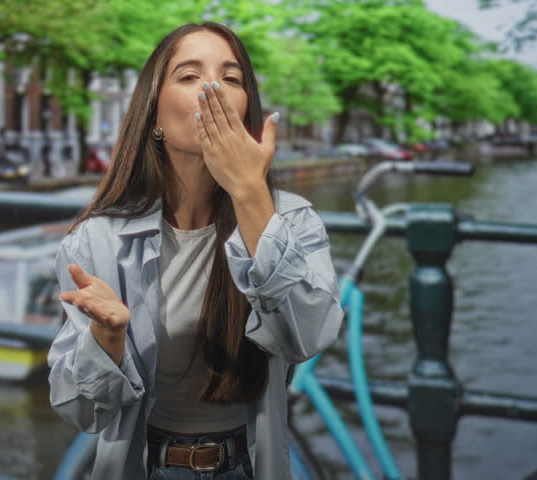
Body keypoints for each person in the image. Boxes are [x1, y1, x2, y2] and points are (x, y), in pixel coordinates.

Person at [48, 21, 344, 480]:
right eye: (188, 76)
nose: (213, 88)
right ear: (154, 116)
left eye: (231, 78)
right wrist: (106, 341)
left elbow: (307, 337)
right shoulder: (95, 241)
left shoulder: (292, 219)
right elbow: (80, 412)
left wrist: (249, 193)